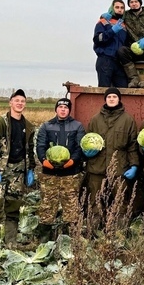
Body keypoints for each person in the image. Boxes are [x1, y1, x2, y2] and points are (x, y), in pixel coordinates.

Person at [0, 89, 36, 261]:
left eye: (23, 101)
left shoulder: (28, 126)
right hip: (0, 170)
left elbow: (29, 151)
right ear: (10, 103)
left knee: (13, 206)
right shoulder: (1, 123)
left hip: (18, 172)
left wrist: (31, 169)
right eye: (17, 100)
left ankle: (10, 241)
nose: (20, 103)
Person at [84, 87, 139, 223]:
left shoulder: (128, 120)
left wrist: (134, 165)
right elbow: (87, 140)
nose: (112, 99)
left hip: (119, 168)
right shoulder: (95, 120)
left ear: (119, 99)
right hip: (97, 167)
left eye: (114, 97)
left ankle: (119, 231)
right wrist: (86, 154)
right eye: (109, 97)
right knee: (95, 201)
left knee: (121, 202)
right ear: (105, 99)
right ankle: (95, 230)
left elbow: (132, 145)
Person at [35, 97, 86, 239]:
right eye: (60, 107)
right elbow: (40, 145)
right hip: (50, 174)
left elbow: (79, 146)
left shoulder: (77, 126)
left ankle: (70, 236)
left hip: (70, 173)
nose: (63, 110)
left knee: (71, 205)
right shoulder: (46, 126)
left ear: (69, 110)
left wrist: (73, 161)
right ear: (56, 109)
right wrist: (43, 160)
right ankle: (44, 237)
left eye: (66, 108)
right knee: (47, 204)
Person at [93, 0, 128, 87]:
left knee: (123, 88)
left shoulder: (124, 25)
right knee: (104, 90)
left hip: (118, 62)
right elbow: (97, 39)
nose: (119, 9)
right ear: (112, 8)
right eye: (117, 7)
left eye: (122, 8)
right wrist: (112, 31)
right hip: (105, 59)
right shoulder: (104, 21)